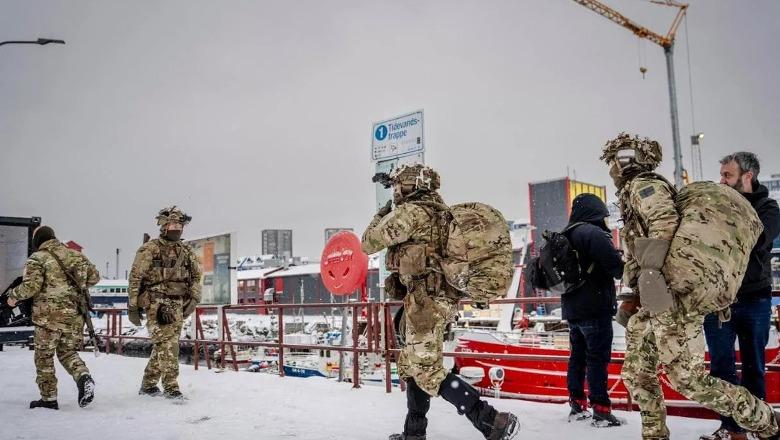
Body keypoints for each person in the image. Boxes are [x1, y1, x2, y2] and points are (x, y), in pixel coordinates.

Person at [600, 133, 780, 440]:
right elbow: (638, 247)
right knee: (638, 374)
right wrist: (635, 292)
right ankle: (655, 435)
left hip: (670, 295)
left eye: (616, 160)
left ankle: (765, 421)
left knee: (688, 379)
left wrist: (651, 284)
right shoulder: (634, 190)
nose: (613, 167)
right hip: (656, 295)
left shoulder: (645, 186)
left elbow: (664, 223)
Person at [362, 164, 518, 440]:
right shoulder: (437, 213)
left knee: (427, 371)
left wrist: (383, 211)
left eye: (398, 186)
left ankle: (491, 420)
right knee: (412, 366)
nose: (396, 191)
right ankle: (414, 433)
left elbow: (368, 243)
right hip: (431, 300)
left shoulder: (411, 213)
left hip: (427, 304)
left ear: (407, 187)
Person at [700, 152, 780, 440]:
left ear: (748, 176)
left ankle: (758, 425)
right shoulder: (715, 206)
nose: (721, 181)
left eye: (727, 176)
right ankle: (731, 428)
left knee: (753, 366)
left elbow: (755, 238)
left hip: (754, 300)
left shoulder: (768, 208)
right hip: (718, 301)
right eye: (721, 175)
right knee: (721, 368)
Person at [6, 225, 100, 409]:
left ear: (37, 241)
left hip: (48, 318)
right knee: (67, 353)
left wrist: (12, 296)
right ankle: (83, 377)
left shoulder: (37, 258)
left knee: (44, 357)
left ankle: (49, 399)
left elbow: (31, 287)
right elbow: (95, 277)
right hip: (75, 316)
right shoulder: (77, 256)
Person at [561, 193, 624, 426]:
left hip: (572, 309)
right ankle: (601, 409)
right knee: (597, 359)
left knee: (577, 357)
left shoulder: (566, 233)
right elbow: (617, 268)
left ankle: (577, 404)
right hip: (595, 307)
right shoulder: (593, 233)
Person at [128, 206, 201, 400]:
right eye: (172, 224)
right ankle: (171, 387)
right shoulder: (150, 249)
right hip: (156, 302)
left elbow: (196, 276)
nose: (176, 228)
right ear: (164, 225)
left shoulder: (186, 251)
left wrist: (194, 298)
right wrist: (132, 307)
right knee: (167, 345)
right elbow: (135, 278)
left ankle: (148, 384)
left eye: (179, 224)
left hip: (178, 303)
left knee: (166, 344)